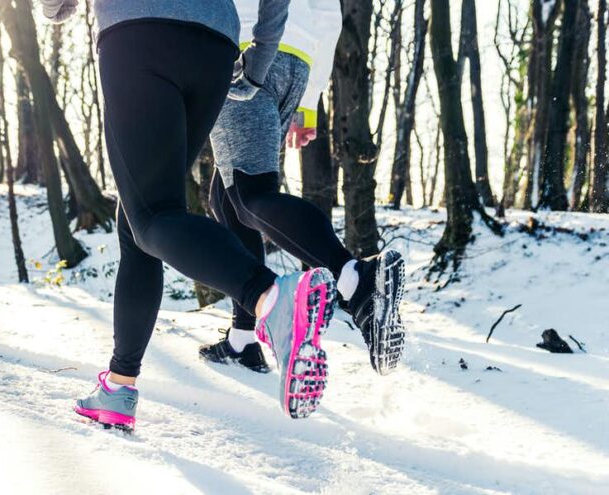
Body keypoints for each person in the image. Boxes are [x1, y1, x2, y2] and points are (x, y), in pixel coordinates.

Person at [40, 0, 337, 432]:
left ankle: (271, 298)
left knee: (152, 216)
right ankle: (119, 386)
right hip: (214, 46)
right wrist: (259, 57)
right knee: (138, 219)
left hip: (138, 33)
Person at [197, 0, 407, 377]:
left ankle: (357, 280)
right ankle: (243, 340)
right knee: (226, 198)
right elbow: (327, 14)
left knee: (248, 195)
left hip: (245, 52)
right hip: (295, 61)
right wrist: (309, 99)